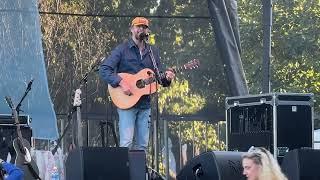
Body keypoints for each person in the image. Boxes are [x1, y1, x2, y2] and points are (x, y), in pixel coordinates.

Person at [99, 17, 175, 151]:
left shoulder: (153, 52)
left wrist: (167, 78)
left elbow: (159, 76)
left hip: (145, 104)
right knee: (126, 143)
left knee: (143, 145)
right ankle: (124, 172)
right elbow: (104, 69)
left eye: (144, 27)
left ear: (147, 31)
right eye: (138, 26)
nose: (141, 29)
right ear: (131, 29)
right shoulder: (122, 49)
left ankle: (141, 172)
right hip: (126, 103)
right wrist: (121, 82)